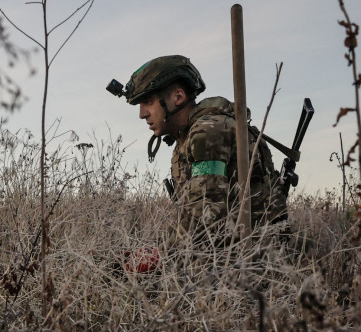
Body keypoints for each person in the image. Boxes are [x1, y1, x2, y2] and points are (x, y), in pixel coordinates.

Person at [123, 55, 287, 238]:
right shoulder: (186, 138)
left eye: (148, 102)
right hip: (228, 251)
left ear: (178, 97)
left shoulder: (208, 132)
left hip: (253, 256)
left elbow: (204, 218)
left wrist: (160, 256)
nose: (142, 114)